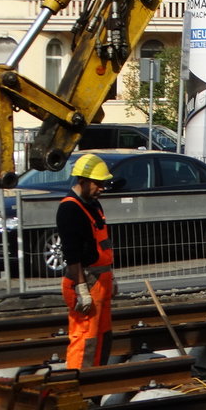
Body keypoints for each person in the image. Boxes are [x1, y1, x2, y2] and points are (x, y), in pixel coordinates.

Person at [57, 154, 116, 369]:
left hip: (101, 279)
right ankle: (78, 381)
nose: (101, 188)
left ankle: (96, 379)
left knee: (102, 336)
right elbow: (72, 254)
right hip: (86, 280)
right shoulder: (69, 209)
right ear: (82, 181)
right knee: (85, 338)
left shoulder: (93, 204)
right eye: (97, 183)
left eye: (103, 184)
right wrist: (81, 288)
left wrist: (111, 276)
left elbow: (103, 244)